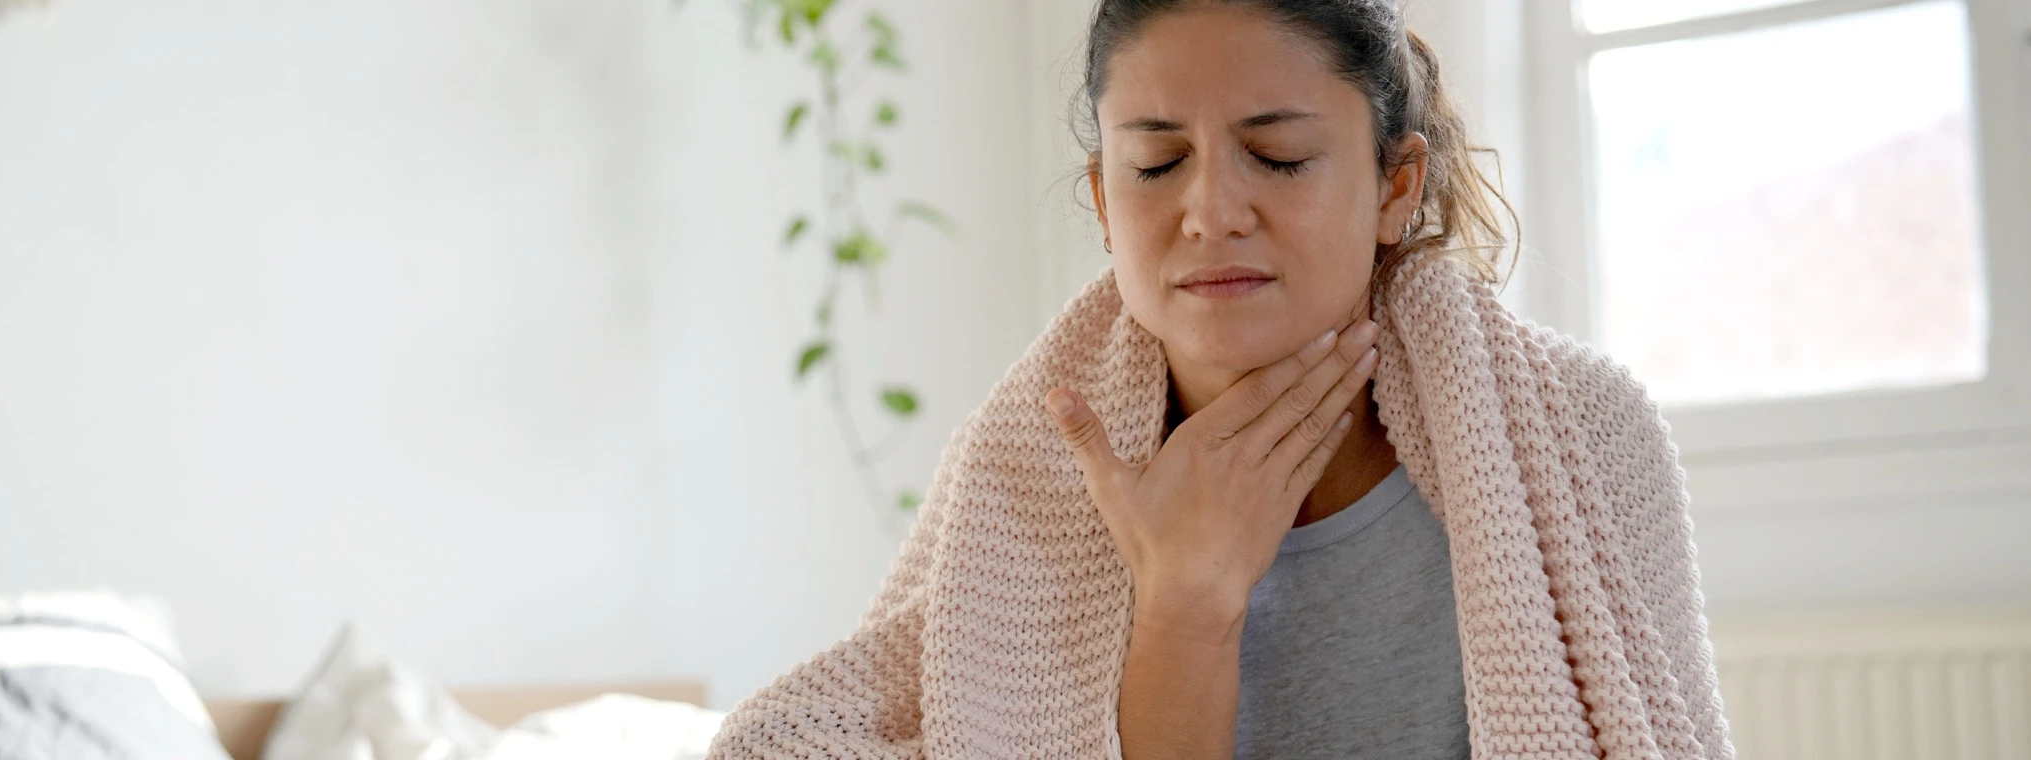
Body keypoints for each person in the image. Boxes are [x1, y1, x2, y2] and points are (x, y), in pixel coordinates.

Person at [708, 1, 1735, 758]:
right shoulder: (1028, 471)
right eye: (1156, 164)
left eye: (1277, 156)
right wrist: (1184, 609)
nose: (1209, 211)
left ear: (1396, 183)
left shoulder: (1581, 437)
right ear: (1106, 203)